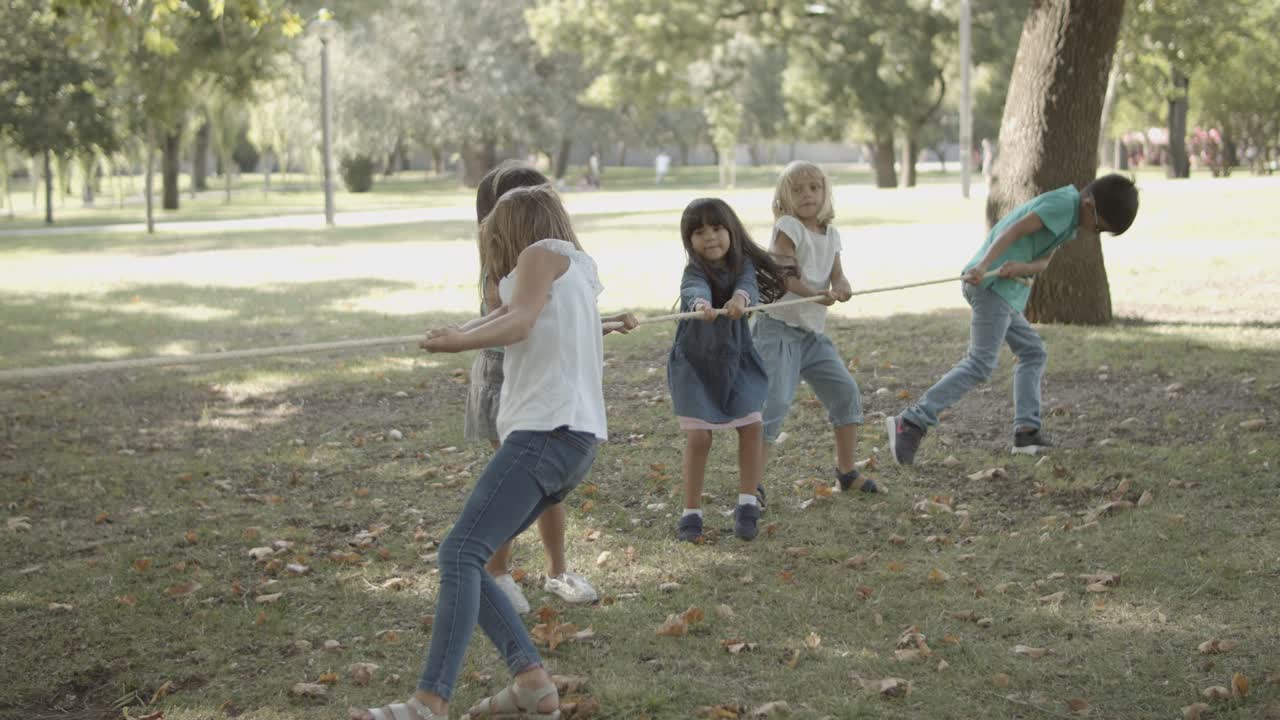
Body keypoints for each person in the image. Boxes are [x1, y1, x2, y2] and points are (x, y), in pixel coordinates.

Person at [353, 185, 611, 720]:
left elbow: (517, 323)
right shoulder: (576, 269)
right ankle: (532, 683)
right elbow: (513, 317)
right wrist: (458, 330)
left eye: (495, 239)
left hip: (545, 434)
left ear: (511, 232)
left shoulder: (540, 254)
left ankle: (430, 701)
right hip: (574, 442)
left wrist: (458, 343)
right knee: (468, 557)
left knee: (459, 553)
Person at [885, 174, 1140, 465]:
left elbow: (1043, 262)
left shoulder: (1071, 218)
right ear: (1089, 204)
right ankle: (911, 422)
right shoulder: (1062, 205)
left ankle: (1027, 432)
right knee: (980, 364)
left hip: (1005, 293)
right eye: (1098, 227)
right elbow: (1013, 231)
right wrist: (983, 265)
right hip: (991, 286)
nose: (1094, 233)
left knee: (1033, 352)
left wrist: (1021, 267)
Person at [466, 162, 613, 613]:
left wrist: (602, 322)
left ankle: (556, 571)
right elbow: (517, 317)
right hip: (507, 382)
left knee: (547, 489)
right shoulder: (503, 264)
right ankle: (496, 573)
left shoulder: (556, 260)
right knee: (510, 489)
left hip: (545, 386)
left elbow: (556, 318)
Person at [754, 161, 880, 496]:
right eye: (797, 190)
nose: (807, 195)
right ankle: (751, 487)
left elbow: (837, 273)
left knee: (845, 392)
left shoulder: (831, 234)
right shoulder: (788, 227)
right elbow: (783, 276)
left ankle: (847, 473)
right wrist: (816, 294)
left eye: (814, 187)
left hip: (810, 334)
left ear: (825, 192)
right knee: (774, 404)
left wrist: (842, 285)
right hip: (777, 330)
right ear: (784, 198)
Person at [667, 198, 790, 542]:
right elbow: (693, 289)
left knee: (752, 425)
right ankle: (691, 512)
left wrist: (739, 300)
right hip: (696, 365)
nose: (709, 237)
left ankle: (748, 503)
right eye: (699, 232)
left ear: (731, 231)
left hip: (736, 360)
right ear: (689, 240)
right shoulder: (694, 270)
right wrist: (701, 304)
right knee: (699, 436)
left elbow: (747, 286)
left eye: (717, 228)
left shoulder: (743, 266)